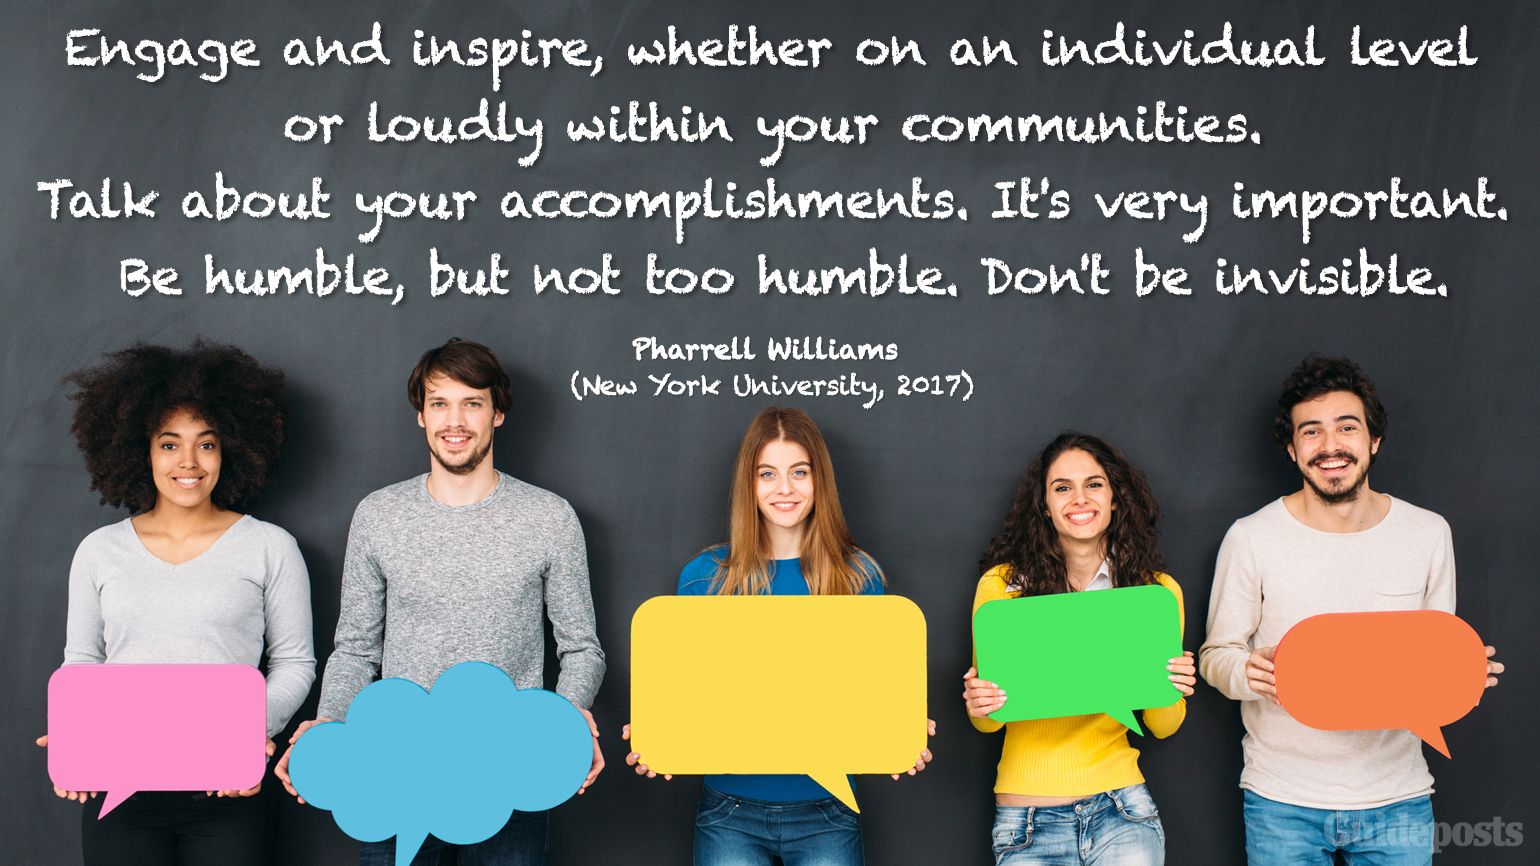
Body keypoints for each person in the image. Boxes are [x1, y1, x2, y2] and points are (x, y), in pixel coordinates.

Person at [275, 337, 605, 866]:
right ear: (421, 417)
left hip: (511, 769)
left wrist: (561, 725)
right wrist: (329, 722)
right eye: (439, 404)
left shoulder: (549, 517)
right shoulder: (379, 515)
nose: (456, 421)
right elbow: (356, 649)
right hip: (394, 766)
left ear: (497, 413)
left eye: (472, 403)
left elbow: (582, 648)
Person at [1198, 355, 1504, 865]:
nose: (1330, 446)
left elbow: (1430, 657)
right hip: (1282, 800)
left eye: (1347, 427)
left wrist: (1461, 675)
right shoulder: (1251, 538)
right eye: (1311, 432)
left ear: (1373, 440)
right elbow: (1215, 656)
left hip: (1399, 797)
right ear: (1293, 450)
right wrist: (1247, 672)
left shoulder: (1428, 533)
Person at [38, 340, 315, 866]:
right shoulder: (99, 551)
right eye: (169, 444)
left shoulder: (269, 547)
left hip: (230, 792)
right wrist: (78, 737)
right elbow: (82, 665)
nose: (188, 462)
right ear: (139, 449)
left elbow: (295, 663)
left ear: (230, 448)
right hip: (119, 791)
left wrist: (245, 735)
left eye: (206, 444)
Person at [622, 406, 934, 866]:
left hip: (828, 812)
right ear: (749, 484)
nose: (784, 489)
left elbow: (868, 696)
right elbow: (688, 695)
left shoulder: (857, 577)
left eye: (799, 473)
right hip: (730, 811)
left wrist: (897, 735)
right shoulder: (705, 577)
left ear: (819, 481)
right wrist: (659, 736)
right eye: (767, 474)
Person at [962, 431, 1194, 866]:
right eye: (1062, 488)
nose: (1079, 499)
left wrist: (1173, 687)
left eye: (1094, 484)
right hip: (1026, 821)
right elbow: (988, 725)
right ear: (1045, 507)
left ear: (1115, 498)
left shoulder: (1156, 593)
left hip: (1122, 810)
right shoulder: (1002, 588)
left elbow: (1164, 727)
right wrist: (980, 705)